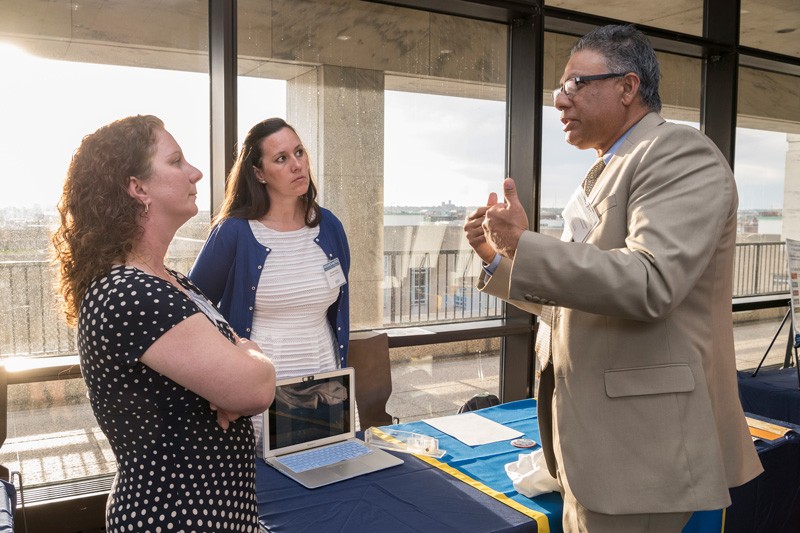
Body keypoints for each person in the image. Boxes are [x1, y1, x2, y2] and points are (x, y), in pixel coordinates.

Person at [464, 25, 762, 531]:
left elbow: (650, 283)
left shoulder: (679, 154)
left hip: (645, 458)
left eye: (575, 83)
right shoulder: (609, 168)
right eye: (560, 87)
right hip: (596, 454)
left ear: (628, 88)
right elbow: (581, 298)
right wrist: (499, 259)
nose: (560, 100)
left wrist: (527, 244)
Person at [52, 115, 276, 533]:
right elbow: (256, 388)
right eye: (176, 162)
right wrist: (248, 356)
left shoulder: (169, 281)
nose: (196, 172)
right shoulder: (129, 293)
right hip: (175, 520)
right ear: (137, 188)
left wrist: (238, 370)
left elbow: (241, 384)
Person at [189, 117, 350, 452]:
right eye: (281, 159)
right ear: (259, 173)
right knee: (270, 486)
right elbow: (193, 307)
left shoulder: (329, 226)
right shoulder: (234, 231)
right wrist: (224, 371)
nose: (296, 165)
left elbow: (338, 303)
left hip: (324, 371)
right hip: (263, 381)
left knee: (328, 473)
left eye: (299, 153)